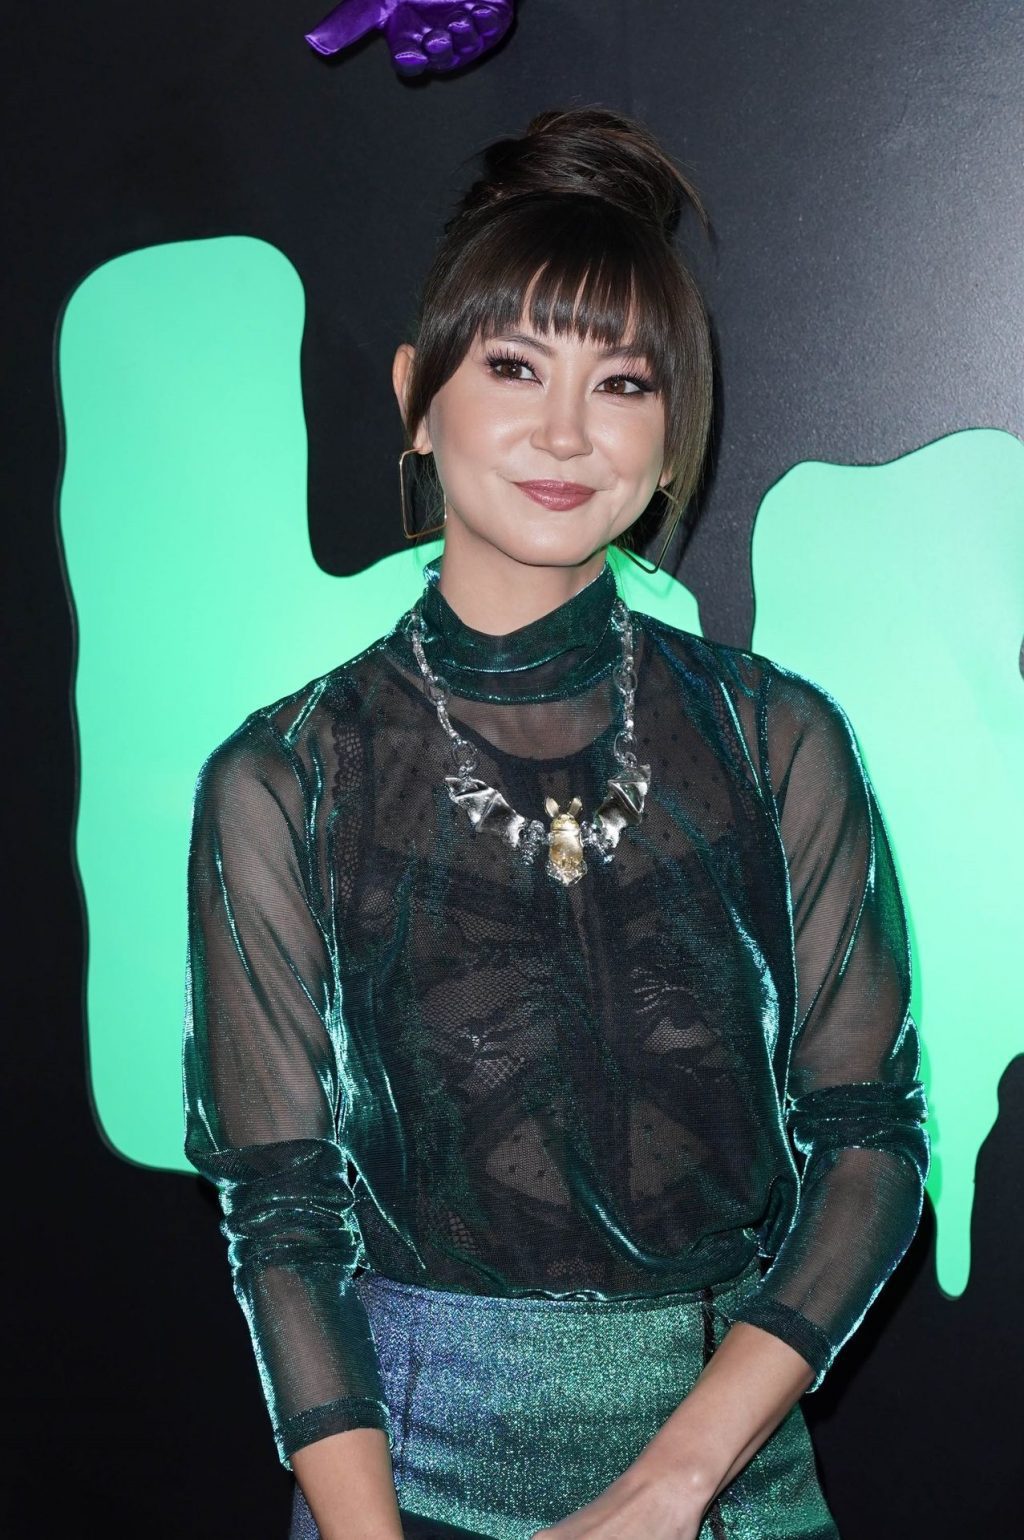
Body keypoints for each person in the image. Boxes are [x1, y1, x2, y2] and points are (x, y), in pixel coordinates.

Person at [182, 106, 930, 1540]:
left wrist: (672, 1485)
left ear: (673, 433)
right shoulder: (288, 777)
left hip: (735, 1480)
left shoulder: (775, 738)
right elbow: (283, 1217)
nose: (567, 433)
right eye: (515, 366)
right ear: (417, 397)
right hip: (407, 1486)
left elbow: (870, 1144)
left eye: (624, 383)